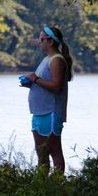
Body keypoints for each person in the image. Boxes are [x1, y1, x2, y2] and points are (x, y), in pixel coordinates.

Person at [21, 25, 74, 174]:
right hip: (39, 112)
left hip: (50, 112)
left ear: (50, 42)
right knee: (42, 154)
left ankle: (57, 186)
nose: (39, 42)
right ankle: (41, 184)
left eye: (41, 39)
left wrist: (35, 79)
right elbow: (45, 83)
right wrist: (31, 84)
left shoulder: (57, 60)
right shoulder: (47, 59)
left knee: (54, 151)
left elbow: (56, 87)